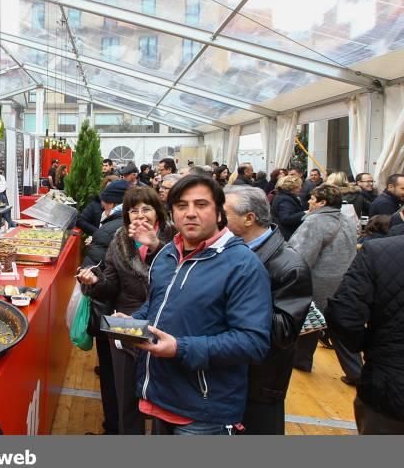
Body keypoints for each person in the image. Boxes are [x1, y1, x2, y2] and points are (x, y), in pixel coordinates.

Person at [129, 175, 272, 435]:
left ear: (219, 213)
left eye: (201, 204)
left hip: (205, 411)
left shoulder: (242, 265)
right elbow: (156, 305)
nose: (191, 213)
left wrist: (180, 348)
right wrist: (131, 324)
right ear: (172, 213)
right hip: (160, 396)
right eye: (182, 206)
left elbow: (253, 342)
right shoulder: (167, 254)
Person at [78, 186, 172, 435]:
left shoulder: (175, 237)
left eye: (146, 209)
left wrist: (155, 247)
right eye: (133, 210)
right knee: (125, 396)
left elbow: (180, 279)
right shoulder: (120, 239)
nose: (140, 215)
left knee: (162, 398)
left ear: (158, 212)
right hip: (125, 321)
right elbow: (111, 285)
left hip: (165, 321)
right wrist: (95, 281)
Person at [223, 186, 312, 434]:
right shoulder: (228, 251)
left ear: (249, 218)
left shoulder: (290, 266)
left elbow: (283, 333)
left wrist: (230, 297)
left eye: (223, 214)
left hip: (259, 384)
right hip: (226, 376)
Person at [326, 233, 404, 434]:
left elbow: (343, 315)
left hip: (388, 388)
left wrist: (371, 346)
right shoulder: (379, 252)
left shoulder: (377, 252)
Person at [289, 184, 362, 383]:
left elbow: (301, 255)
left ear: (322, 202)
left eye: (312, 198)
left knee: (310, 320)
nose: (309, 201)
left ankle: (301, 361)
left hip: (317, 282)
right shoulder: (347, 220)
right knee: (336, 326)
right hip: (343, 281)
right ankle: (356, 371)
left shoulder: (315, 222)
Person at [75, 179, 130, 435]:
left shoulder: (110, 229)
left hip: (114, 314)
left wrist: (88, 277)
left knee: (114, 378)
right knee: (121, 378)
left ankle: (113, 429)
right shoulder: (124, 228)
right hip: (125, 314)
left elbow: (91, 272)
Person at [271, 175, 306, 241]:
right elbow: (286, 218)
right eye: (299, 186)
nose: (301, 188)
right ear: (292, 188)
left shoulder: (282, 196)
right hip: (285, 236)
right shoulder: (285, 199)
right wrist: (305, 213)